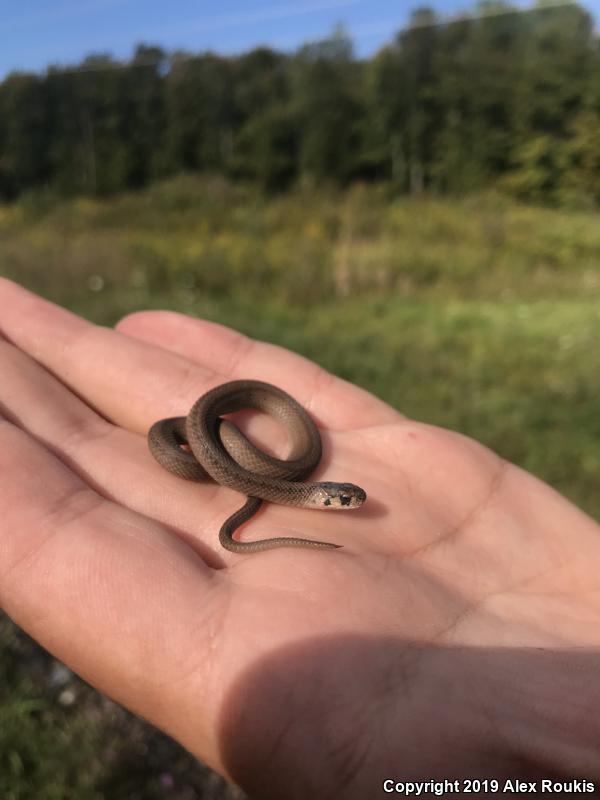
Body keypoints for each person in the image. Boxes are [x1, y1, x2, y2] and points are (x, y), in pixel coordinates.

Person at [0, 276, 598, 799]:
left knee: (241, 457)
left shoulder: (292, 466)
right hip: (203, 438)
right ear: (321, 498)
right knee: (201, 446)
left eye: (343, 499)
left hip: (240, 455)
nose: (346, 503)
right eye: (342, 499)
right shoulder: (262, 468)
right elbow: (225, 454)